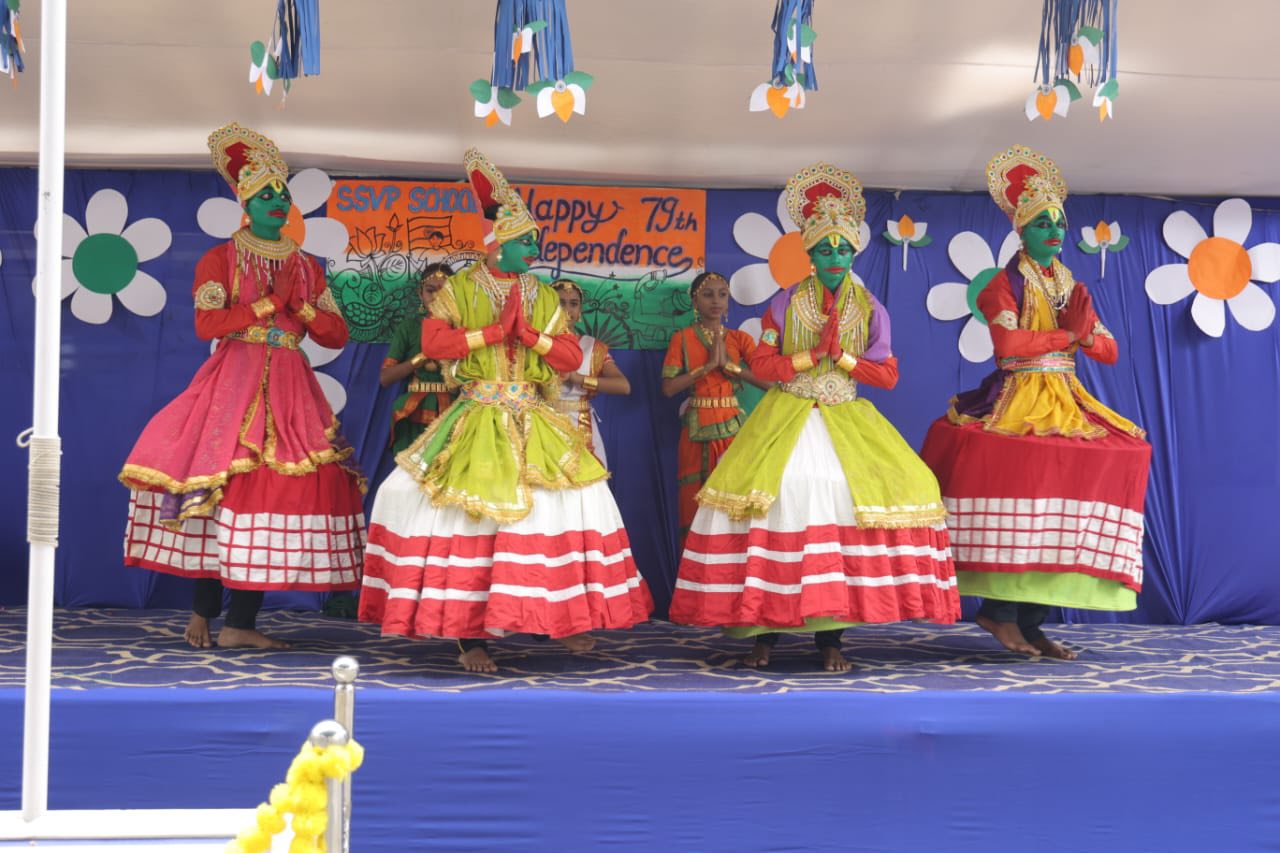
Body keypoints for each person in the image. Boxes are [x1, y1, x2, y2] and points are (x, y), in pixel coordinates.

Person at [358, 148, 653, 674]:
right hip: (477, 411)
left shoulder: (541, 294)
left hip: (532, 411)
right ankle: (469, 637)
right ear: (498, 243)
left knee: (567, 505)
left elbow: (569, 357)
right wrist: (494, 332)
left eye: (535, 241)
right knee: (468, 519)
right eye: (527, 241)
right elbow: (435, 344)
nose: (535, 249)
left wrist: (531, 336)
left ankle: (558, 618)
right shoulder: (458, 289)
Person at [668, 162, 960, 672]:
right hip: (788, 414)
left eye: (842, 249)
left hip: (845, 415)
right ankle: (764, 633)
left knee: (844, 508)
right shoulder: (784, 303)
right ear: (810, 253)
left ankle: (831, 638)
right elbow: (762, 365)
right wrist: (808, 357)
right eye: (825, 249)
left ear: (854, 252)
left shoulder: (870, 308)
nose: (834, 257)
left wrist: (842, 359)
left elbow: (888, 375)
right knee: (778, 505)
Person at [119, 122, 366, 650]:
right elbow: (207, 325)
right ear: (245, 205)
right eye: (266, 195)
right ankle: (205, 612)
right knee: (221, 489)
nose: (278, 202)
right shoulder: (220, 259)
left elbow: (336, 334)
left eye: (283, 194)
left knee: (267, 494)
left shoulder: (307, 266)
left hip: (291, 386)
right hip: (234, 380)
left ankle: (241, 623)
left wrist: (299, 307)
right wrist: (267, 304)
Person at [920, 144, 1151, 660]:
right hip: (1017, 396)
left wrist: (1083, 336)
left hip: (1067, 397)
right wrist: (1067, 337)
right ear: (1020, 230)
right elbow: (1008, 345)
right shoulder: (1003, 284)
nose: (1053, 230)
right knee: (1025, 491)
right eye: (1041, 222)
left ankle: (1032, 620)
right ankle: (999, 611)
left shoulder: (1070, 284)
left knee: (1073, 492)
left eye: (1058, 223)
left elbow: (1109, 350)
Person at [661, 272, 770, 540]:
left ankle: (731, 560)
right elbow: (668, 388)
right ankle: (695, 562)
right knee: (695, 500)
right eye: (708, 295)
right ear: (694, 302)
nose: (716, 301)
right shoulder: (682, 338)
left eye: (722, 295)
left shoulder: (740, 339)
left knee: (733, 498)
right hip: (697, 429)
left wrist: (730, 367)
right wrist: (707, 367)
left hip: (733, 426)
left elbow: (769, 382)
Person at [549, 279, 631, 465]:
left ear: (580, 310)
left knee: (587, 476)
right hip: (543, 420)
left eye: (573, 304)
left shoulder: (592, 347)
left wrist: (578, 379)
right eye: (560, 303)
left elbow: (623, 386)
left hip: (581, 423)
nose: (567, 310)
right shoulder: (536, 343)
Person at [380, 262, 457, 455]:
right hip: (413, 411)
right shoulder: (410, 327)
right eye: (430, 291)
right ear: (420, 293)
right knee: (410, 467)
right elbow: (385, 378)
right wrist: (422, 357)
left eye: (444, 292)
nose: (437, 297)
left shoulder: (462, 327)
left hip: (454, 409)